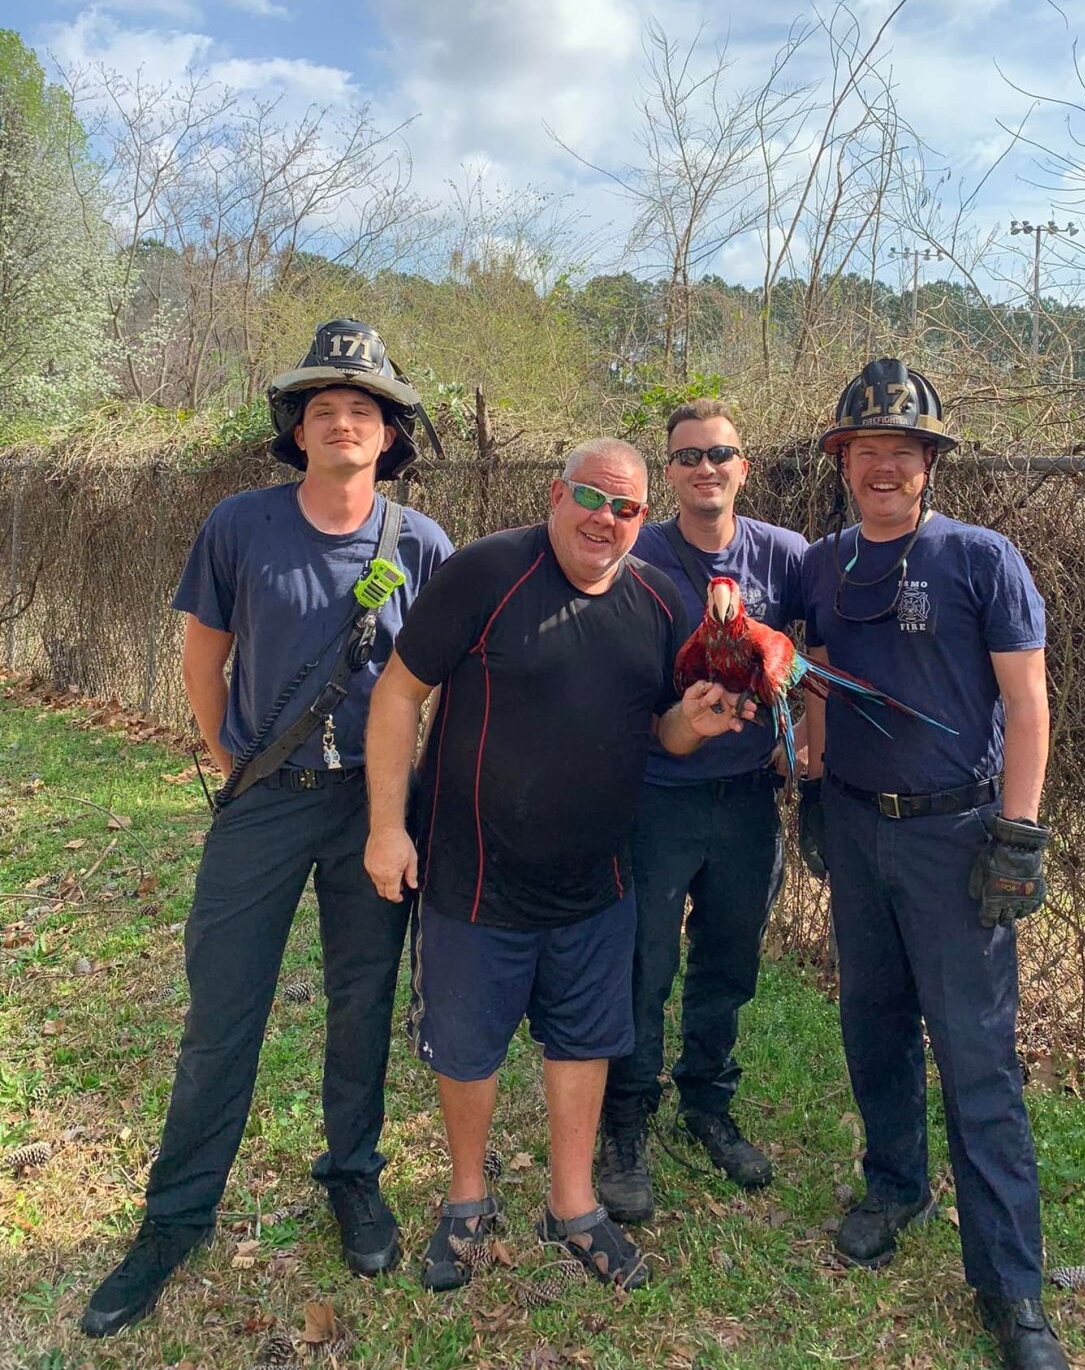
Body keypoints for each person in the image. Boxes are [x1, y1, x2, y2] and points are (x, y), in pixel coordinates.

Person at [81, 321, 453, 1338]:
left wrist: (412, 810)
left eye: (362, 409)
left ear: (389, 433)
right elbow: (202, 659)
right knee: (223, 1007)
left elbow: (442, 683)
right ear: (297, 428)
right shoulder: (239, 524)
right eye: (323, 408)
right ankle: (174, 1217)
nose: (343, 422)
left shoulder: (421, 545)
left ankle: (353, 1176)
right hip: (264, 799)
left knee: (361, 1000)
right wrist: (232, 760)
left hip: (376, 808)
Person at [364, 438, 755, 1293]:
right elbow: (397, 693)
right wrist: (386, 827)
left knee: (582, 1040)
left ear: (642, 519)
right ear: (555, 493)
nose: (605, 519)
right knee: (467, 1048)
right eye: (591, 497)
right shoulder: (485, 572)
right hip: (474, 876)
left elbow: (664, 728)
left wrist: (695, 722)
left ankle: (572, 1204)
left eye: (626, 507)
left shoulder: (658, 599)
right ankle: (466, 1199)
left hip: (595, 883)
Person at [800, 358, 1067, 1370]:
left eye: (902, 449)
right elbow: (816, 669)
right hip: (855, 823)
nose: (883, 465)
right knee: (870, 1019)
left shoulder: (979, 559)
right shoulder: (823, 564)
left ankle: (1010, 1285)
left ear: (928, 463)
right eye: (865, 448)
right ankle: (894, 1186)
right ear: (841, 461)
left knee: (973, 1054)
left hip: (955, 836)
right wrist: (815, 773)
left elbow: (1027, 702)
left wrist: (1017, 831)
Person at [597, 400, 807, 1222]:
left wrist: (802, 746)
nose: (704, 468)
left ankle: (707, 1102)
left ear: (742, 466)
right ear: (669, 473)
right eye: (687, 456)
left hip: (747, 799)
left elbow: (822, 655)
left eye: (719, 453)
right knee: (643, 962)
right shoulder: (638, 556)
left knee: (729, 960)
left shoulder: (785, 555)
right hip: (660, 795)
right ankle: (626, 1119)